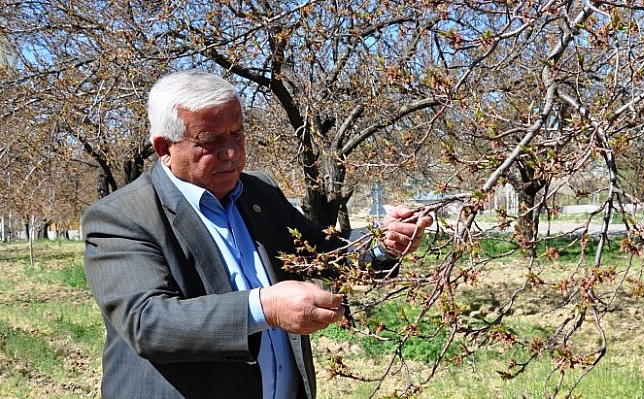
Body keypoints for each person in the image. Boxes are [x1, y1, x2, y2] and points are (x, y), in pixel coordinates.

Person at [82, 69, 433, 399]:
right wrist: (265, 307)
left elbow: (320, 251)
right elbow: (148, 323)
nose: (232, 152)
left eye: (237, 134)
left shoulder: (258, 192)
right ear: (164, 148)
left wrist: (381, 244)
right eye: (210, 141)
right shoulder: (121, 217)